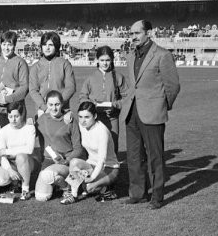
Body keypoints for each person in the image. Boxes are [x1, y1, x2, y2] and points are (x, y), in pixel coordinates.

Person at [120, 20, 180, 209]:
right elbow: (133, 86)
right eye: (131, 33)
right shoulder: (131, 56)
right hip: (132, 113)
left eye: (137, 33)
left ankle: (157, 196)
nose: (134, 37)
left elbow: (173, 86)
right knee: (134, 156)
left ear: (149, 33)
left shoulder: (162, 55)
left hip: (152, 113)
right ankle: (138, 194)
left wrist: (162, 105)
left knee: (155, 157)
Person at [64, 102, 120, 204]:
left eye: (87, 117)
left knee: (89, 187)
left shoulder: (102, 131)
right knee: (74, 162)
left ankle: (106, 190)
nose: (83, 120)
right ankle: (73, 195)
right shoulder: (81, 125)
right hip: (91, 164)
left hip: (109, 167)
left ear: (95, 116)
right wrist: (69, 114)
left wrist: (92, 178)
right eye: (80, 117)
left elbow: (101, 160)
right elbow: (70, 117)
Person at [34, 91, 85, 202]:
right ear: (46, 105)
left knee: (48, 175)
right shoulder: (42, 119)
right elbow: (31, 133)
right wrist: (28, 122)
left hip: (66, 163)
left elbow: (78, 148)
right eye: (50, 105)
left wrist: (67, 160)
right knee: (41, 197)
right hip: (48, 161)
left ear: (62, 104)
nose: (54, 108)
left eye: (57, 104)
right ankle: (60, 182)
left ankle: (67, 188)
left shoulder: (70, 120)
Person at [79, 45, 128, 154]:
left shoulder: (119, 77)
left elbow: (127, 98)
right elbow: (82, 96)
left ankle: (112, 169)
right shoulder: (90, 78)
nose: (105, 63)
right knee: (93, 147)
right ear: (97, 60)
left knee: (112, 146)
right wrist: (91, 106)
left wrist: (115, 105)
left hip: (112, 118)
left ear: (112, 60)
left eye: (107, 60)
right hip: (94, 120)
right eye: (102, 60)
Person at [0, 101, 37, 198]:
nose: (13, 120)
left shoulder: (29, 128)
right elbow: (1, 154)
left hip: (26, 162)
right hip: (10, 163)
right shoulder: (4, 130)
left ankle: (25, 190)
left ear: (22, 115)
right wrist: (9, 170)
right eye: (10, 116)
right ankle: (14, 183)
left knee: (21, 156)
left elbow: (29, 150)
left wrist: (8, 151)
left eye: (16, 116)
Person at [0, 31, 29, 126]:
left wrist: (7, 99)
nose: (6, 48)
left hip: (14, 108)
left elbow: (24, 87)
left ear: (14, 45)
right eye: (4, 44)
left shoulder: (21, 63)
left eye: (9, 44)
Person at [29, 31, 76, 118]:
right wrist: (44, 107)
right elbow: (33, 90)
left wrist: (58, 104)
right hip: (42, 111)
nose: (47, 48)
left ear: (56, 46)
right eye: (44, 44)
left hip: (62, 109)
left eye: (50, 45)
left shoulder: (65, 64)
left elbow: (71, 87)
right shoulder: (35, 67)